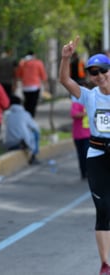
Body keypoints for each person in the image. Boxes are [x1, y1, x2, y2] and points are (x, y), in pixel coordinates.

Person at [59, 35, 110, 275]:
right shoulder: (90, 95)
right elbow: (64, 80)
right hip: (98, 155)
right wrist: (66, 58)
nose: (98, 76)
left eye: (102, 71)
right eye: (93, 72)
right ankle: (105, 264)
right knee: (103, 209)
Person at [2, 95, 41, 165]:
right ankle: (33, 156)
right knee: (35, 132)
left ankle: (20, 144)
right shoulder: (25, 114)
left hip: (9, 143)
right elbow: (35, 127)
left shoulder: (6, 114)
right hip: (21, 141)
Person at [16, 50, 48, 117]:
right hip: (35, 87)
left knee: (27, 103)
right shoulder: (38, 63)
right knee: (33, 104)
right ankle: (31, 118)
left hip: (25, 87)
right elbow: (43, 76)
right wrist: (46, 85)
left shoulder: (23, 63)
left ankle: (26, 118)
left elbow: (18, 75)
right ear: (34, 55)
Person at [70, 97, 90, 179]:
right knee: (81, 155)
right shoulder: (76, 103)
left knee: (88, 155)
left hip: (88, 135)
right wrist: (86, 113)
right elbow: (74, 114)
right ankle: (83, 172)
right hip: (78, 135)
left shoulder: (91, 102)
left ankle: (88, 172)